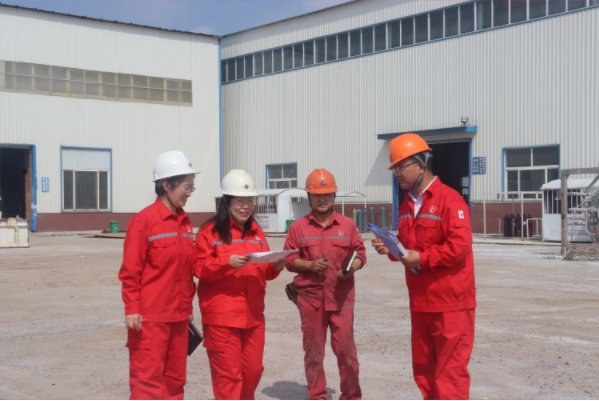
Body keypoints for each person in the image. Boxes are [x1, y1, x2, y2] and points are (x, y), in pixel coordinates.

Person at [372, 133, 476, 400]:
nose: (396, 173)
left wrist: (423, 258)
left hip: (450, 304)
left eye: (400, 166)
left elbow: (460, 246)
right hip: (421, 303)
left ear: (421, 164)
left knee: (449, 376)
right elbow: (409, 248)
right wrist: (391, 248)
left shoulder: (450, 199)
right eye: (394, 168)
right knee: (424, 372)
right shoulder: (407, 205)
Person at [193, 169, 284, 400]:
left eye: (250, 201)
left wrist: (275, 266)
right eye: (239, 201)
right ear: (226, 202)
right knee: (228, 378)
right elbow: (199, 268)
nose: (246, 207)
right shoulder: (210, 232)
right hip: (222, 319)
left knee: (253, 370)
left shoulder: (256, 232)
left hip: (253, 317)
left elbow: (265, 272)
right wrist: (226, 262)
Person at [118, 151, 199, 400]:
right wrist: (132, 308)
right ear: (166, 185)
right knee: (147, 382)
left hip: (179, 319)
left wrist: (187, 307)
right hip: (150, 319)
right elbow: (130, 272)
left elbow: (186, 271)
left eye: (192, 188)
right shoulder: (143, 221)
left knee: (175, 380)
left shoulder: (185, 222)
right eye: (186, 187)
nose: (189, 193)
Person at [283, 168, 366, 400]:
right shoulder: (297, 228)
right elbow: (289, 260)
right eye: (317, 195)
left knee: (346, 351)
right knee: (313, 352)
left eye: (327, 194)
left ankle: (351, 396)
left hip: (341, 298)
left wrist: (351, 268)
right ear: (309, 197)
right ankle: (318, 395)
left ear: (334, 195)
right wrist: (309, 265)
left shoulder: (348, 225)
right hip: (310, 300)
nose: (322, 199)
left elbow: (360, 253)